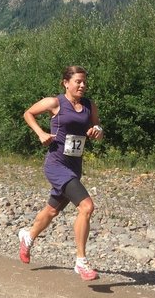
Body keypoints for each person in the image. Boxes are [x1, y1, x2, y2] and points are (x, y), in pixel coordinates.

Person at [18, 65, 104, 281]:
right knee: (87, 206)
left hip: (74, 166)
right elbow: (28, 113)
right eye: (78, 81)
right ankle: (81, 262)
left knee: (52, 211)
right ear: (66, 83)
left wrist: (97, 132)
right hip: (56, 164)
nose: (83, 85)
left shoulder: (89, 106)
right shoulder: (54, 102)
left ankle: (28, 237)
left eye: (84, 82)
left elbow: (99, 129)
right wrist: (40, 133)